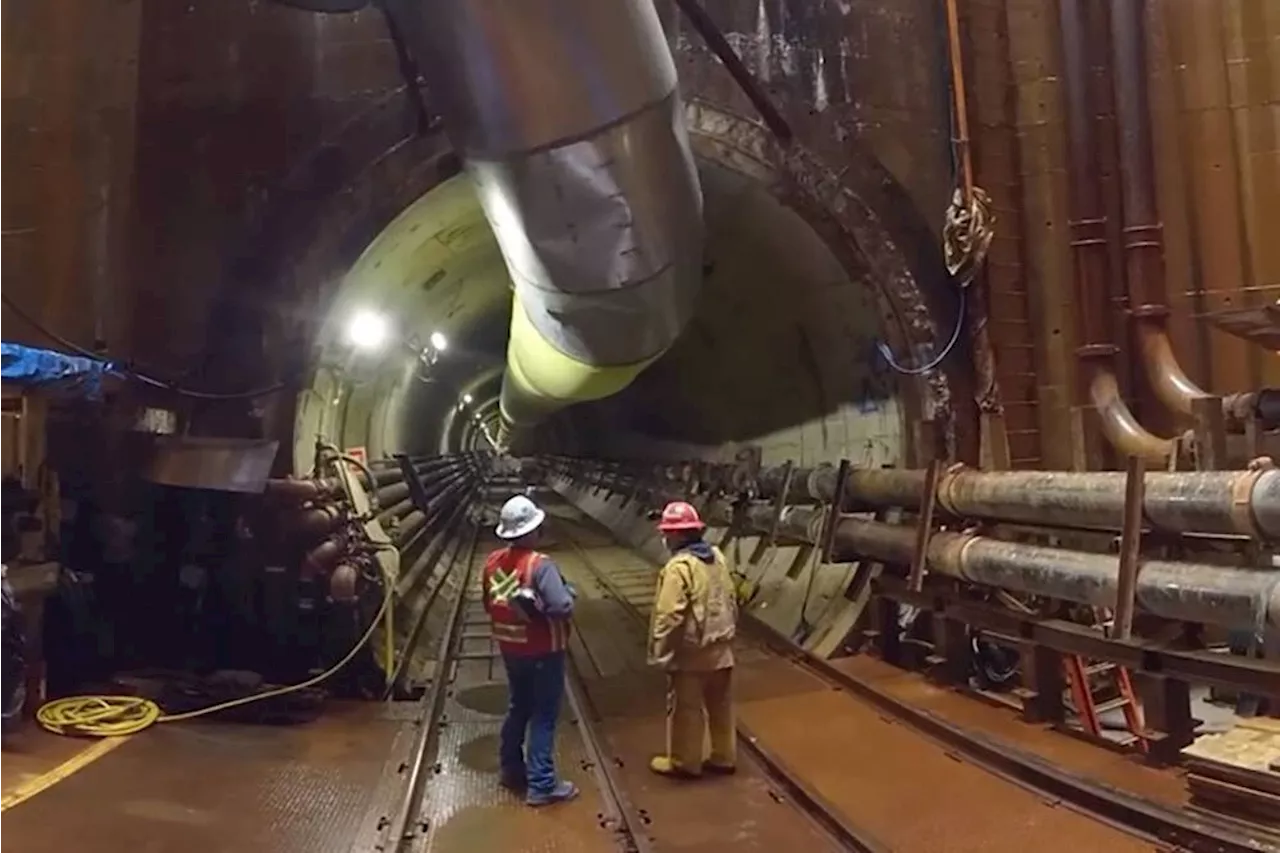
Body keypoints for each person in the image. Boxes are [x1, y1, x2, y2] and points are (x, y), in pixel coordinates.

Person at [482, 494, 579, 806]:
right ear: (533, 531)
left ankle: (511, 768)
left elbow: (489, 603)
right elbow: (561, 606)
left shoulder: (494, 562)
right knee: (544, 715)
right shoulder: (540, 565)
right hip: (543, 650)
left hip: (511, 649)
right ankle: (542, 784)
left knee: (518, 707)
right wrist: (567, 595)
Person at [647, 500, 739, 779]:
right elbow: (731, 598)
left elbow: (669, 615)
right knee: (720, 705)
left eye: (667, 533)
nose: (665, 537)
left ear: (676, 535)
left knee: (686, 709)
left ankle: (684, 762)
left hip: (692, 654)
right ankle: (724, 756)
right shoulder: (716, 557)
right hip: (722, 647)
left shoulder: (679, 567)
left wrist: (661, 653)